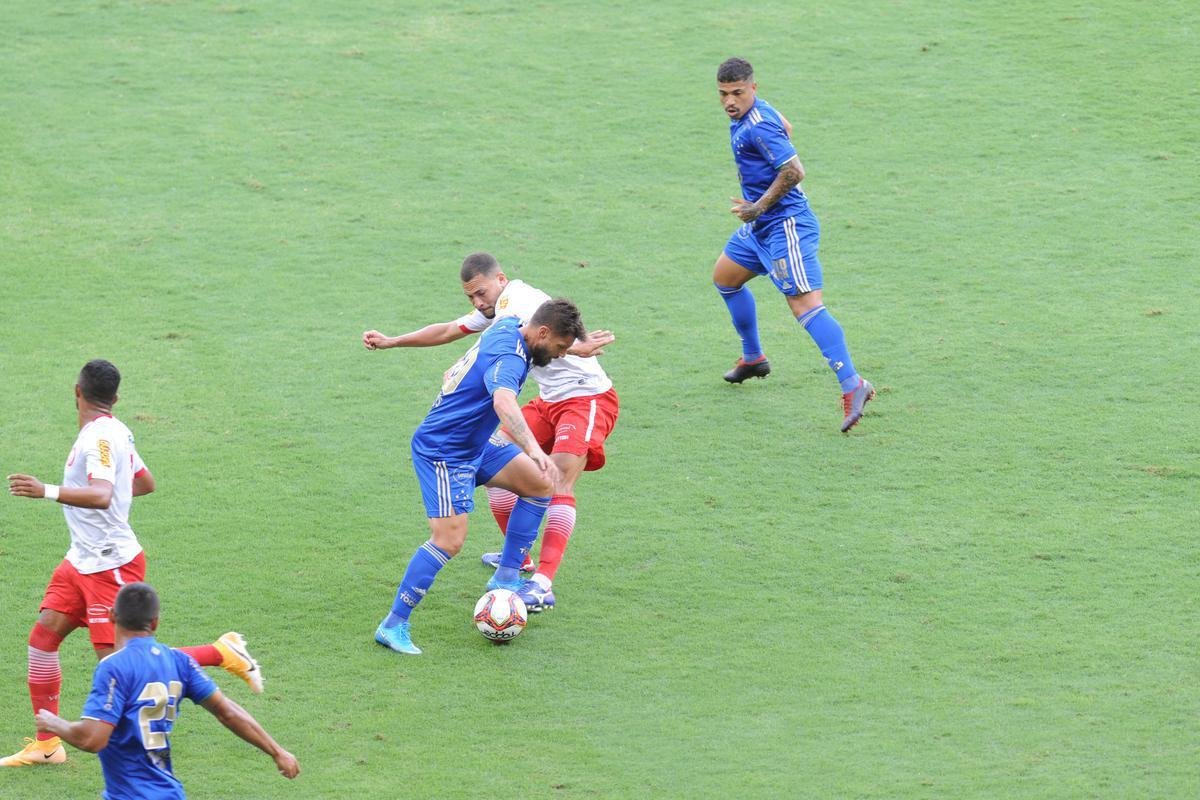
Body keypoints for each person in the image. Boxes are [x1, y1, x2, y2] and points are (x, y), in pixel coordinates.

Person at [3, 359, 263, 768]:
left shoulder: (99, 440)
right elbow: (144, 482)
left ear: (77, 391)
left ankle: (219, 651)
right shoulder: (115, 431)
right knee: (42, 641)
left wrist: (47, 491)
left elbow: (104, 494)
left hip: (109, 565)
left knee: (122, 667)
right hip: (81, 559)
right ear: (116, 398)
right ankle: (47, 744)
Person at [363, 252, 619, 612]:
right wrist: (393, 341)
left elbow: (548, 332)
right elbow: (450, 330)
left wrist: (577, 347)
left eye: (481, 293)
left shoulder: (519, 302)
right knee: (511, 467)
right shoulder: (497, 310)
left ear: (501, 279)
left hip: (584, 396)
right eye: (470, 297)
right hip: (547, 400)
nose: (477, 302)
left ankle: (542, 582)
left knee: (556, 479)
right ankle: (516, 561)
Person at [371, 298, 587, 655]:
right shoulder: (512, 359)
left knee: (539, 484)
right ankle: (393, 624)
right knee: (449, 540)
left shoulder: (509, 324)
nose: (563, 354)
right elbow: (503, 402)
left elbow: (458, 341)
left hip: (475, 444)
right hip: (444, 451)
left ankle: (505, 576)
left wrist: (581, 347)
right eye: (562, 347)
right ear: (543, 332)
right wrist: (534, 449)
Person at [712, 57, 875, 432]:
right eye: (723, 94)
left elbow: (795, 170)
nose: (730, 101)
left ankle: (854, 385)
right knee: (725, 278)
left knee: (805, 306)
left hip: (785, 226)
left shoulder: (758, 126)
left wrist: (758, 206)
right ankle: (753, 358)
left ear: (753, 87)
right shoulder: (756, 114)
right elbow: (787, 126)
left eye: (737, 93)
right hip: (761, 227)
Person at [34, 582, 299, 797]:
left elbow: (93, 739)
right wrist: (278, 751)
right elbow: (227, 711)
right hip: (168, 792)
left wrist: (55, 723)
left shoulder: (112, 667)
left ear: (112, 616)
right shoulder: (179, 661)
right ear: (156, 621)